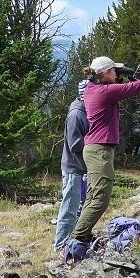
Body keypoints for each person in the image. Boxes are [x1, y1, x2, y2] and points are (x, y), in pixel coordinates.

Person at [61, 56, 140, 261]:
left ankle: (82, 236)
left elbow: (102, 81)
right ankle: (77, 240)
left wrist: (118, 73)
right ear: (105, 74)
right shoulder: (105, 92)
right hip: (100, 151)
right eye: (114, 71)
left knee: (93, 196)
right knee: (100, 199)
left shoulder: (91, 88)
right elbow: (138, 87)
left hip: (96, 149)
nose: (116, 74)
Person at [54, 80, 90, 252]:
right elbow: (75, 144)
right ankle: (61, 245)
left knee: (80, 207)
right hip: (73, 169)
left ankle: (73, 243)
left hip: (81, 169)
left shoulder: (85, 110)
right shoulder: (76, 114)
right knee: (69, 208)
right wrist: (95, 141)